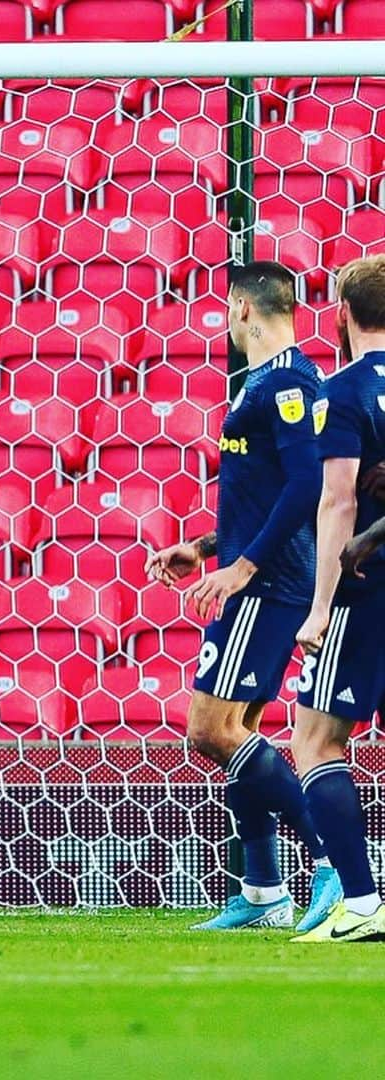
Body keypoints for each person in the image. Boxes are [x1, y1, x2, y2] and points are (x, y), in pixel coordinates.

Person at [146, 261, 338, 931]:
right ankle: (261, 892)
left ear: (242, 309)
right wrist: (204, 547)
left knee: (211, 730)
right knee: (240, 730)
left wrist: (244, 568)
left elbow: (305, 483)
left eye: (227, 310)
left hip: (270, 585)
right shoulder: (273, 380)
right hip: (265, 578)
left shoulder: (285, 380)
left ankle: (335, 862)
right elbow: (263, 490)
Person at [290, 255, 385, 943]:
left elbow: (338, 500)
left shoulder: (342, 391)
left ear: (342, 314)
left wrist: (319, 606)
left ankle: (360, 903)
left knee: (316, 740)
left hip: (364, 591)